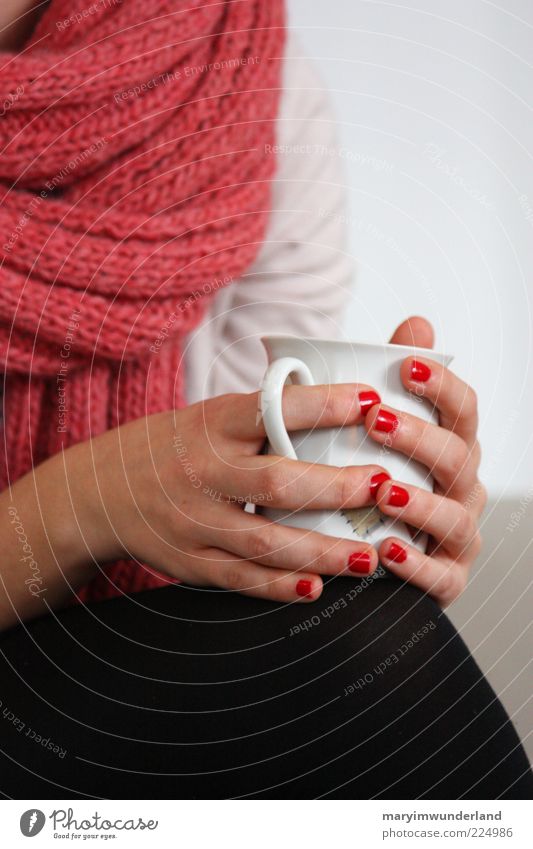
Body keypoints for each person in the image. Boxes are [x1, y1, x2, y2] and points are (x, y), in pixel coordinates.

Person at [0, 0, 531, 799]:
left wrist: (358, 509)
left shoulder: (228, 60)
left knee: (367, 631)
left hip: (112, 661)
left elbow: (250, 490)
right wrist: (84, 505)